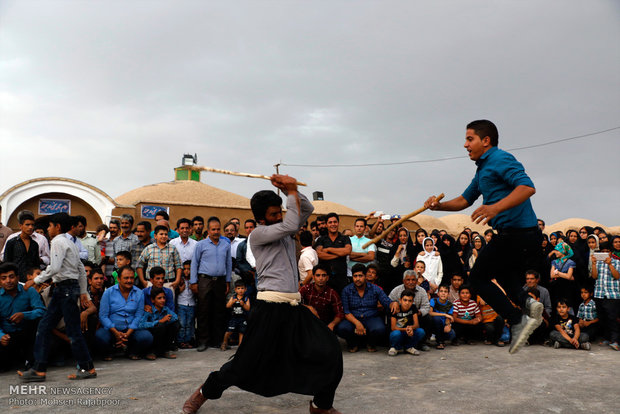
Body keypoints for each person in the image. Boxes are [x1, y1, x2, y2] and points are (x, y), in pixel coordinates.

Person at [182, 174, 343, 414]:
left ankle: (320, 406)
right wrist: (288, 192)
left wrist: (293, 189)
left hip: (293, 307)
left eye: (280, 211)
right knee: (243, 365)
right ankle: (205, 391)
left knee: (329, 351)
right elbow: (291, 223)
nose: (279, 216)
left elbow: (306, 208)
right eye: (273, 214)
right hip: (269, 309)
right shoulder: (258, 235)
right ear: (260, 219)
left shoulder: (285, 229)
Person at [424, 120, 544, 354]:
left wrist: (495, 208)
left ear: (485, 140)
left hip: (517, 234)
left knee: (477, 278)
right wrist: (438, 207)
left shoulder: (501, 159)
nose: (465, 144)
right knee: (502, 273)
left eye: (470, 139)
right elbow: (464, 200)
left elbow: (527, 187)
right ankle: (529, 303)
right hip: (518, 236)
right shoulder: (482, 169)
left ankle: (517, 320)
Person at [18, 213, 96, 382]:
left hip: (65, 289)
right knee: (48, 327)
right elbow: (81, 271)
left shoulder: (58, 242)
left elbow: (54, 267)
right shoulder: (71, 243)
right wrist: (83, 292)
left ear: (58, 227)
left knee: (59, 329)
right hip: (68, 289)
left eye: (50, 225)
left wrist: (35, 280)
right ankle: (40, 369)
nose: (48, 229)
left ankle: (83, 367)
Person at [190, 216, 232, 352]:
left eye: (218, 229)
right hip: (205, 281)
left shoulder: (226, 245)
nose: (216, 232)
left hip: (220, 281)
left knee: (219, 311)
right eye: (213, 229)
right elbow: (194, 263)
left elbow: (228, 264)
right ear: (208, 230)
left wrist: (227, 281)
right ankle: (203, 341)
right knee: (203, 311)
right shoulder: (200, 245)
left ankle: (218, 340)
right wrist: (193, 282)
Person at [337, 263, 399, 353]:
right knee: (342, 328)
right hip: (353, 318)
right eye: (355, 276)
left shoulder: (375, 289)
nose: (358, 279)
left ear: (365, 276)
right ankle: (353, 343)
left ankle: (371, 343)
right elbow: (346, 312)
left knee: (379, 329)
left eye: (360, 276)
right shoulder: (346, 290)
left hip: (371, 317)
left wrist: (393, 303)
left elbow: (386, 302)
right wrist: (358, 323)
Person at [96, 266, 153, 360]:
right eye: (126, 278)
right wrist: (116, 333)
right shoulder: (109, 292)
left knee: (146, 337)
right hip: (112, 329)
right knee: (99, 336)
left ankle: (132, 351)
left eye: (131, 278)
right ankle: (110, 351)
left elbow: (138, 315)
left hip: (132, 330)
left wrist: (128, 333)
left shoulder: (139, 293)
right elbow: (103, 316)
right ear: (118, 279)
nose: (129, 281)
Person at [0, 262, 46, 372]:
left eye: (11, 277)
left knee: (38, 322)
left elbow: (42, 311)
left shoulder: (29, 291)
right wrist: (1, 336)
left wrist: (24, 315)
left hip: (27, 333)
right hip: (7, 335)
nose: (8, 281)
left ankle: (31, 362)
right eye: (4, 278)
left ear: (17, 278)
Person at [590, 241, 620, 351]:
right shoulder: (598, 263)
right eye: (603, 252)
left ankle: (616, 341)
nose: (605, 253)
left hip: (613, 295)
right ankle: (607, 338)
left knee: (613, 318)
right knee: (603, 318)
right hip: (599, 294)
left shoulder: (617, 262)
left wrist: (610, 264)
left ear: (611, 252)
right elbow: (594, 276)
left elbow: (617, 276)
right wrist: (593, 264)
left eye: (607, 251)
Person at [299, 263, 344, 330]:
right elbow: (295, 303)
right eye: (318, 275)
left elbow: (339, 313)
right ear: (313, 277)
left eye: (323, 275)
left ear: (327, 278)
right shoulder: (306, 289)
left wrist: (332, 324)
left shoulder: (332, 293)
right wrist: (308, 307)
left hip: (324, 326)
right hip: (306, 323)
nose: (321, 278)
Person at [315, 212, 352, 294]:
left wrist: (328, 249)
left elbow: (347, 251)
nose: (333, 224)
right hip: (325, 279)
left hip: (341, 279)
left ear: (338, 223)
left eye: (335, 222)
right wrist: (339, 254)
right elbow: (320, 255)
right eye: (330, 222)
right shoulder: (321, 239)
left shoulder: (345, 238)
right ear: (326, 225)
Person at [139, 287, 179, 360]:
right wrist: (158, 321)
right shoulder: (149, 310)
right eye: (159, 298)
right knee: (160, 326)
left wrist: (165, 321)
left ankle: (166, 350)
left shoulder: (165, 309)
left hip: (162, 336)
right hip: (153, 336)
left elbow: (175, 317)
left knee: (175, 324)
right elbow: (141, 324)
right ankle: (153, 351)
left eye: (164, 298)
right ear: (153, 300)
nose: (162, 300)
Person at [137, 225, 183, 289]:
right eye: (161, 234)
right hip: (151, 284)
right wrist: (143, 281)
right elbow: (139, 265)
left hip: (168, 283)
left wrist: (177, 281)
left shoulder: (173, 248)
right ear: (155, 236)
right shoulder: (149, 248)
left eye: (166, 234)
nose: (164, 236)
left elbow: (179, 266)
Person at [2, 211, 41, 282]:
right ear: (20, 226)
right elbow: (7, 262)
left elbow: (36, 264)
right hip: (15, 280)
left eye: (32, 225)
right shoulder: (12, 242)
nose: (30, 227)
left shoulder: (34, 244)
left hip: (30, 280)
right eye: (27, 225)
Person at [388, 289, 425, 356]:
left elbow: (416, 324)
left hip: (408, 332)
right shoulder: (396, 309)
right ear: (400, 300)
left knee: (421, 331)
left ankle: (409, 347)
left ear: (412, 301)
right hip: (398, 332)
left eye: (410, 301)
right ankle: (394, 347)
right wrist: (406, 329)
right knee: (396, 334)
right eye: (405, 300)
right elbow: (393, 327)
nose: (407, 303)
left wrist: (411, 328)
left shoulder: (413, 308)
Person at [221, 280, 250, 351]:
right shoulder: (233, 297)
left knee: (242, 332)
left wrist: (243, 304)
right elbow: (227, 306)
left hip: (242, 318)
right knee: (229, 331)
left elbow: (248, 308)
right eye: (238, 288)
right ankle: (224, 343)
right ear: (235, 289)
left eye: (242, 288)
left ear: (245, 289)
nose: (240, 290)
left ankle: (240, 346)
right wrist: (232, 303)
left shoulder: (246, 298)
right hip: (234, 318)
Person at [429, 285, 456, 349]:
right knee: (436, 319)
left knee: (452, 334)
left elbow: (448, 318)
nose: (443, 293)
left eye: (445, 292)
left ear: (448, 294)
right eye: (441, 291)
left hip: (442, 326)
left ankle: (442, 340)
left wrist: (447, 325)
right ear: (438, 293)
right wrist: (444, 314)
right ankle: (440, 342)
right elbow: (430, 313)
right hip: (434, 325)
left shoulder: (450, 305)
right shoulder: (433, 300)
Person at [177, 261, 196, 349]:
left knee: (189, 323)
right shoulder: (179, 280)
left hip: (191, 304)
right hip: (181, 303)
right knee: (182, 323)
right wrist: (180, 290)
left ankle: (188, 340)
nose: (186, 271)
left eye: (189, 269)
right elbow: (176, 292)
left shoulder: (194, 281)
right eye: (184, 269)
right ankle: (181, 341)